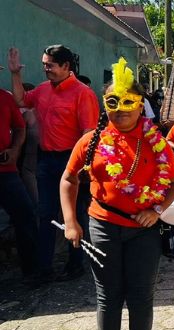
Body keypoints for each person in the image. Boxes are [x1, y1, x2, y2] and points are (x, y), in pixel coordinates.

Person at [60, 58, 174, 330]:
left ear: (140, 105)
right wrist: (71, 222)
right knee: (108, 296)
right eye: (113, 102)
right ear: (104, 105)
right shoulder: (91, 142)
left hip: (144, 230)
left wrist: (157, 209)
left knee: (141, 296)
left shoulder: (156, 142)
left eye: (128, 101)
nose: (121, 109)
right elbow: (69, 179)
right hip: (103, 226)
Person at [8, 45, 100, 283]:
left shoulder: (83, 93)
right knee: (46, 213)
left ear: (66, 66)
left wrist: (84, 167)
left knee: (76, 213)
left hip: (72, 161)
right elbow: (20, 99)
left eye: (50, 65)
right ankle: (44, 268)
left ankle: (75, 263)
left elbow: (89, 132)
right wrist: (16, 74)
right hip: (46, 160)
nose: (45, 69)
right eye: (44, 64)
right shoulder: (42, 90)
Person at [0, 82, 38, 282]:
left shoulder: (5, 98)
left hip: (6, 171)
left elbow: (19, 127)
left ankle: (31, 270)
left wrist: (15, 150)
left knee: (26, 216)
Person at [18, 83, 39, 202]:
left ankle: (36, 205)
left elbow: (19, 131)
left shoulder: (28, 114)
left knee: (28, 173)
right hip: (49, 150)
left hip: (30, 151)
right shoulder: (47, 110)